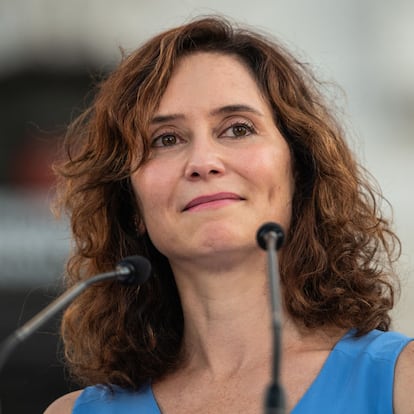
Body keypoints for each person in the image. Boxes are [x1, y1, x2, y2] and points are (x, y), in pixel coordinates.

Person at [45, 16, 414, 413]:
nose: (203, 162)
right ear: (131, 203)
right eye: (166, 139)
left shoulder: (401, 381)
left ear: (300, 171)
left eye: (237, 129)